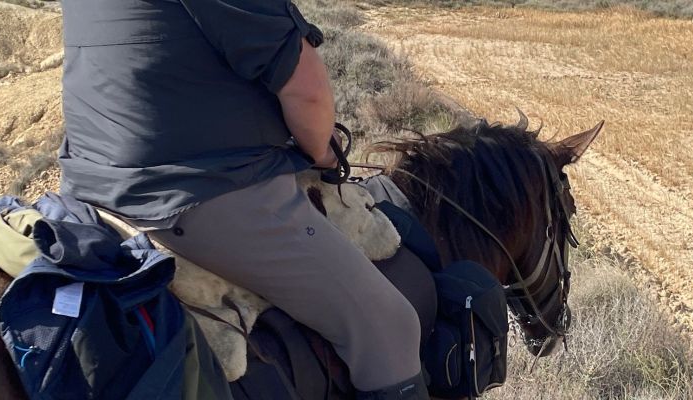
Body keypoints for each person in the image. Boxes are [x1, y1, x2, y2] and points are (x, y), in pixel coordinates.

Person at [54, 0, 426, 398]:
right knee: (389, 324)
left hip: (89, 188)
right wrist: (323, 153)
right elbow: (308, 92)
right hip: (195, 191)